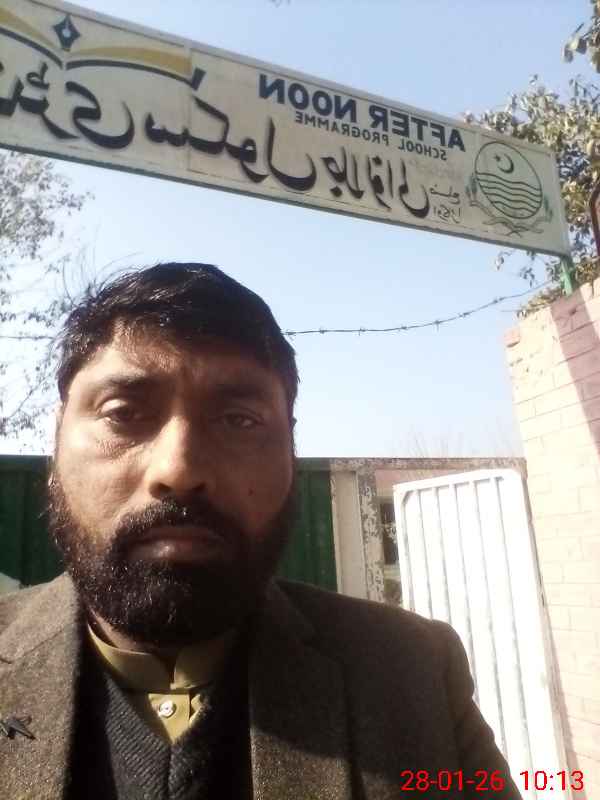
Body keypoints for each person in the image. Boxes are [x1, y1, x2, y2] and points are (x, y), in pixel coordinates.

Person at [0, 263, 521, 799]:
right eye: (124, 412)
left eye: (239, 420)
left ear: (291, 451)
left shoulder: (414, 673)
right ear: (57, 440)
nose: (178, 469)